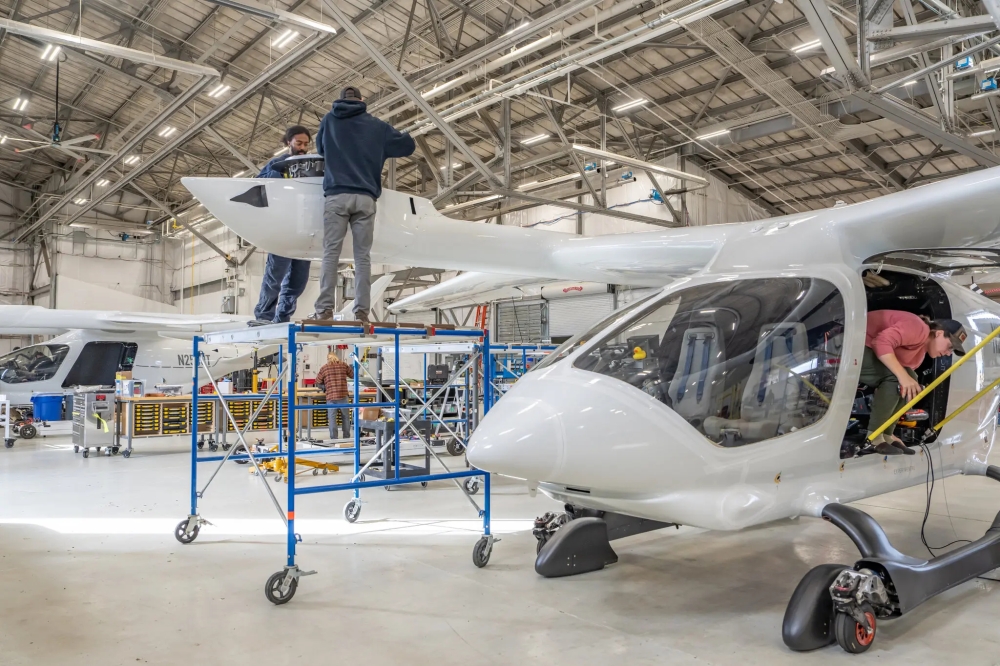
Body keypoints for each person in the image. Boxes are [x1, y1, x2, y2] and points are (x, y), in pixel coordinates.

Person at [310, 86, 415, 324]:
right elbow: (407, 146)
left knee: (331, 254)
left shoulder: (329, 121)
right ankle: (361, 312)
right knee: (362, 257)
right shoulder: (377, 126)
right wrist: (405, 133)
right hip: (365, 198)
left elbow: (321, 149)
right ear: (361, 100)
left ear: (340, 100)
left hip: (337, 195)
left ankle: (324, 310)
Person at [863, 310, 967, 455]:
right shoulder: (919, 328)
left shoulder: (919, 356)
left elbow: (900, 383)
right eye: (950, 347)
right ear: (938, 333)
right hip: (849, 343)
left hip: (864, 350)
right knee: (899, 378)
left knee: (910, 379)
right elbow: (880, 342)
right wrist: (902, 376)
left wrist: (905, 378)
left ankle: (886, 433)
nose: (949, 353)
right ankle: (873, 437)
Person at [250, 126, 314, 326]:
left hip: (304, 231)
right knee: (275, 276)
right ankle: (264, 316)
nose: (302, 148)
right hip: (283, 228)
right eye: (298, 143)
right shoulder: (276, 164)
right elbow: (258, 185)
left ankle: (282, 318)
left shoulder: (313, 165)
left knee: (298, 282)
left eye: (306, 144)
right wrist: (278, 173)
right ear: (288, 143)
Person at [315, 351, 354, 440]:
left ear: (328, 359)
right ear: (336, 357)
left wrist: (325, 387)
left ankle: (334, 438)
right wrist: (353, 367)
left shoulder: (324, 368)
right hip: (343, 395)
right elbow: (353, 375)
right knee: (345, 418)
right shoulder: (343, 365)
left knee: (332, 418)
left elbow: (317, 382)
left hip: (331, 396)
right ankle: (346, 437)